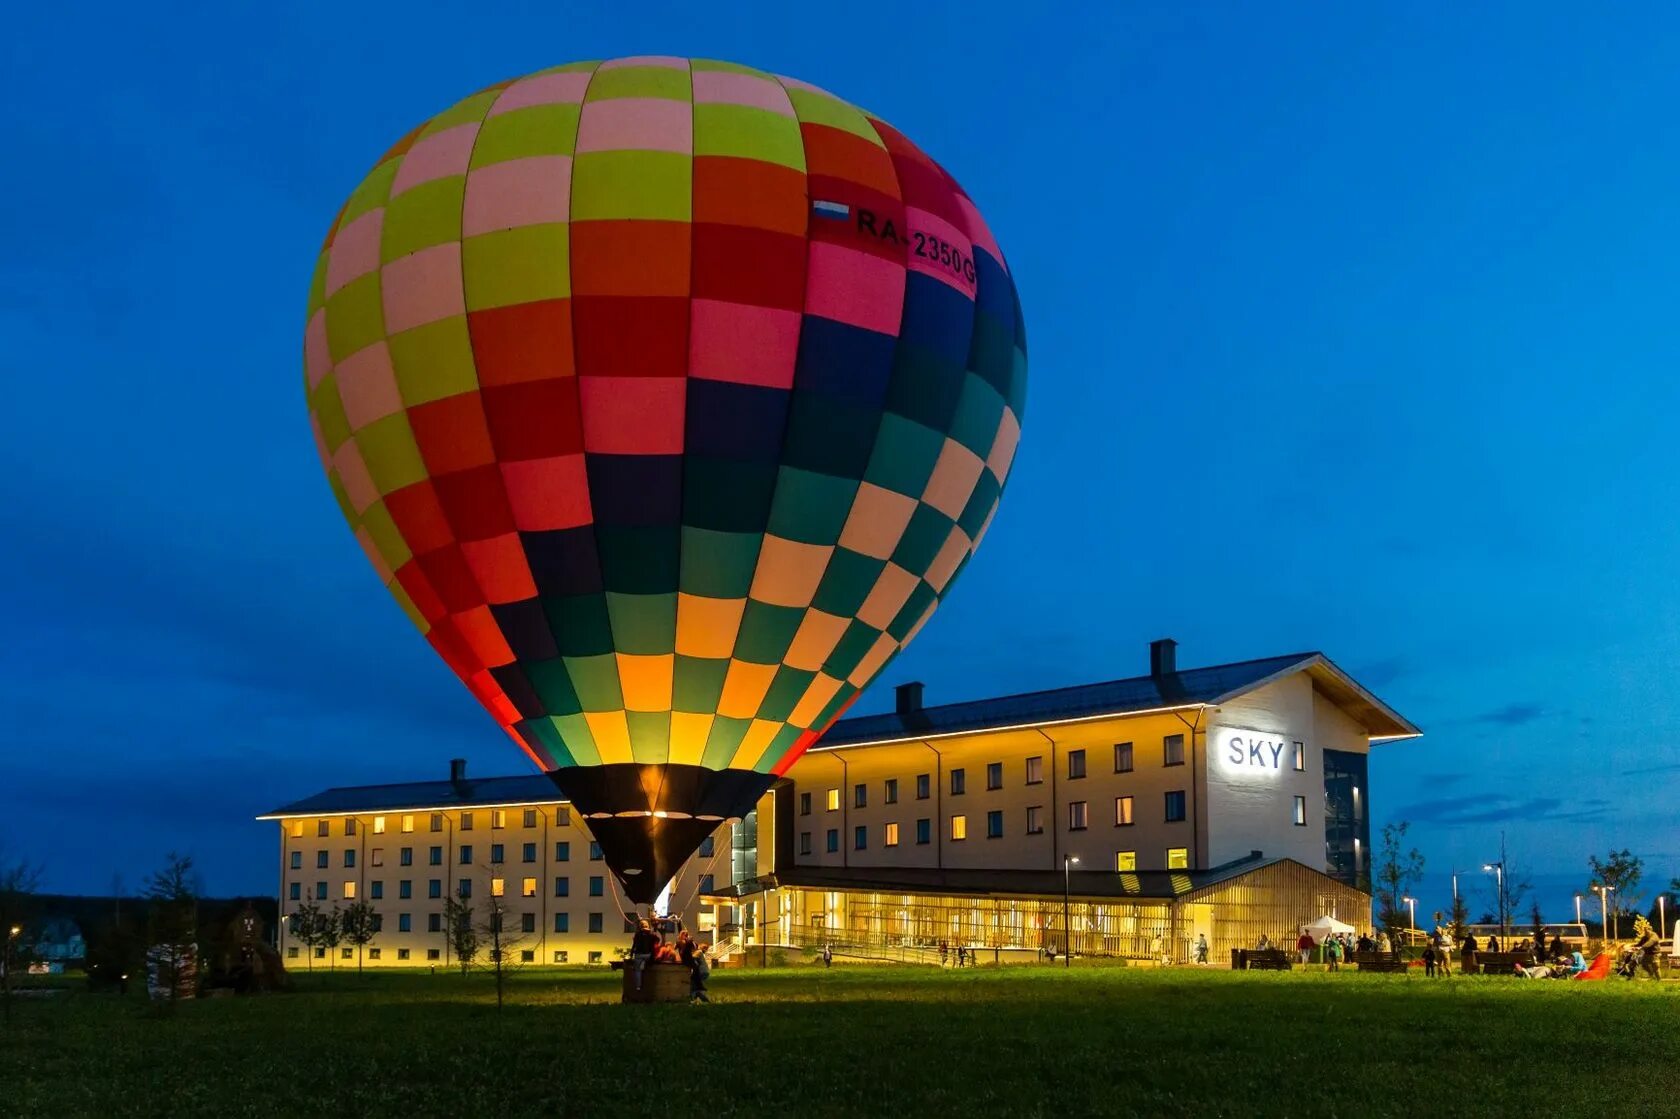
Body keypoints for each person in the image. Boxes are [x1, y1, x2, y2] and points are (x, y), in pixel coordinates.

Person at [629, 919, 656, 992]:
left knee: (637, 971)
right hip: (648, 954)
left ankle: (638, 986)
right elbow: (657, 940)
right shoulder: (651, 933)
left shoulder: (638, 934)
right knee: (648, 965)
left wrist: (631, 954)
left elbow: (634, 945)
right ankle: (644, 963)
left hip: (639, 954)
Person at [1632, 915, 1661, 980]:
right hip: (1647, 954)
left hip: (1655, 954)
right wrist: (1633, 946)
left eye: (1647, 930)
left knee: (1656, 967)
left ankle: (1659, 980)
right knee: (1644, 964)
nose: (1645, 932)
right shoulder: (1645, 937)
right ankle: (1651, 975)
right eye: (1645, 931)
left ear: (1650, 930)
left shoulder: (1654, 936)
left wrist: (1641, 947)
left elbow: (1649, 943)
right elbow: (1640, 943)